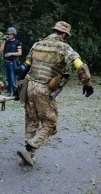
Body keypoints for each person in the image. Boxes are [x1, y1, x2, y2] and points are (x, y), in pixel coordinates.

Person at [16, 21, 94, 167]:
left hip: (29, 87)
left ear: (54, 31)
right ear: (64, 34)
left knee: (31, 121)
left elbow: (24, 67)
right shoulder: (64, 47)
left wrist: (17, 88)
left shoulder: (36, 45)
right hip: (44, 89)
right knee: (50, 124)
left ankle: (27, 158)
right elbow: (80, 66)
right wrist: (87, 84)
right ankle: (28, 149)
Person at [0, 26, 22, 97]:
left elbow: (20, 53)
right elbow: (0, 50)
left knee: (13, 78)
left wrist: (11, 53)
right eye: (8, 34)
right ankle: (9, 91)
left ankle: (15, 92)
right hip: (6, 62)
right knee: (7, 78)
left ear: (14, 34)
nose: (9, 36)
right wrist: (4, 42)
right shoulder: (6, 42)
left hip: (13, 62)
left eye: (10, 34)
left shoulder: (17, 42)